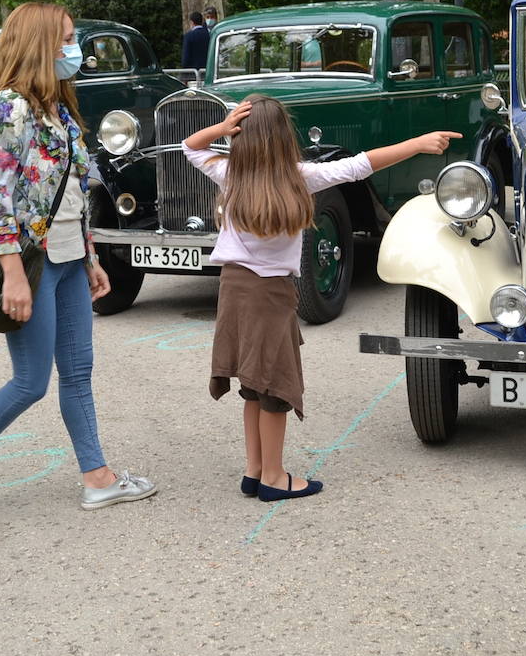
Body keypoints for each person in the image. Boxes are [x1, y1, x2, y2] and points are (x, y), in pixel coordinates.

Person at [183, 95, 460, 502]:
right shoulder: (299, 176)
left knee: (252, 383)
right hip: (270, 293)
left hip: (233, 288)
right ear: (282, 136)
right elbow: (361, 165)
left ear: (241, 135)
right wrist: (417, 143)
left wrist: (222, 130)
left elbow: (190, 146)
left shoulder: (229, 172)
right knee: (274, 385)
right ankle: (274, 478)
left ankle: (254, 470)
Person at [0, 1, 156, 521]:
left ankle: (98, 478)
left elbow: (72, 192)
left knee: (78, 373)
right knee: (31, 382)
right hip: (31, 265)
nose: (73, 48)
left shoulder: (56, 109)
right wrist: (13, 274)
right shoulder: (5, 108)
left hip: (66, 258)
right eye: (64, 39)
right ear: (39, 44)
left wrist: (90, 258)